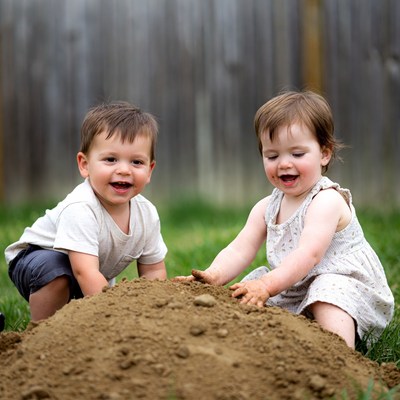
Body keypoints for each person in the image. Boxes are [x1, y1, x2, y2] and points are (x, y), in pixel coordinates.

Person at [174, 90, 394, 349]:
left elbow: (308, 255)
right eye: (272, 156)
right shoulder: (267, 207)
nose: (284, 164)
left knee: (328, 290)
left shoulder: (326, 201)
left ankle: (338, 352)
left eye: (297, 154)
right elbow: (240, 248)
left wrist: (267, 285)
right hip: (294, 285)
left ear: (324, 153)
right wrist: (214, 275)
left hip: (347, 287)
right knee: (244, 292)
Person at [5, 101, 167, 322]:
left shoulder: (147, 214)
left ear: (150, 170)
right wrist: (115, 316)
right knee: (58, 270)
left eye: (136, 162)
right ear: (84, 165)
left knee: (75, 281)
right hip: (36, 260)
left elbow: (153, 272)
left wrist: (152, 310)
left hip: (83, 275)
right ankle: (43, 331)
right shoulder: (81, 208)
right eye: (110, 159)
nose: (123, 170)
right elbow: (85, 272)